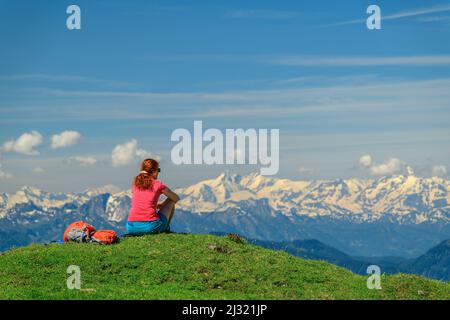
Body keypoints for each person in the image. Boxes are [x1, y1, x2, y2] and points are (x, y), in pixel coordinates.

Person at [126, 158, 180, 235]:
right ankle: (166, 229)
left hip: (131, 228)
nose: (158, 173)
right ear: (154, 171)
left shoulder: (135, 184)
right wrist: (164, 203)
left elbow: (143, 201)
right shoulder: (158, 184)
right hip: (150, 227)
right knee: (171, 201)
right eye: (158, 170)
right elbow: (176, 198)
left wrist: (156, 205)